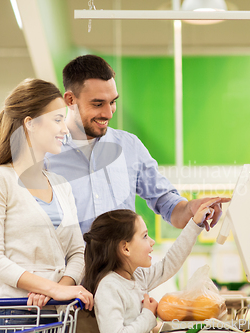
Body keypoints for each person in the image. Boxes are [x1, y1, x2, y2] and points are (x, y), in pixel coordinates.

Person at [46, 54, 231, 235]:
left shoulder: (129, 147)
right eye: (98, 104)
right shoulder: (45, 154)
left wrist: (191, 208)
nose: (109, 113)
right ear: (70, 100)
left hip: (122, 267)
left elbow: (166, 203)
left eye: (112, 102)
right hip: (68, 266)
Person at [0, 78, 93, 327]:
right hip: (13, 316)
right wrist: (52, 288)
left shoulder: (61, 184)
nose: (65, 130)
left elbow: (77, 253)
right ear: (30, 124)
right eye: (58, 120)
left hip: (55, 317)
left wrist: (56, 291)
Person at [83, 199, 222, 333]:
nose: (152, 241)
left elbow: (169, 263)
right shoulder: (109, 287)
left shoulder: (137, 276)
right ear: (125, 248)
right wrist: (148, 314)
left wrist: (195, 224)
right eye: (145, 236)